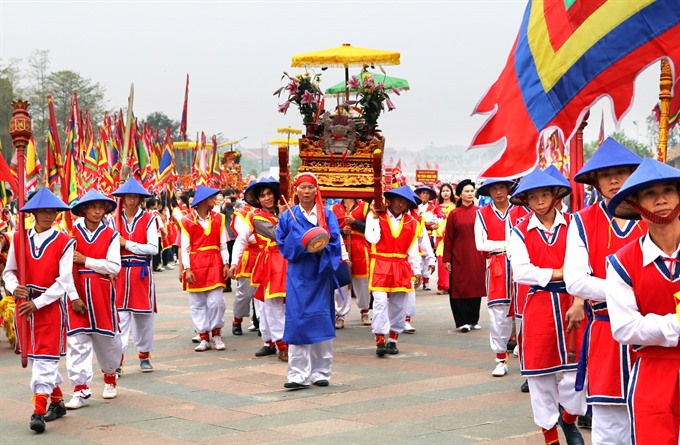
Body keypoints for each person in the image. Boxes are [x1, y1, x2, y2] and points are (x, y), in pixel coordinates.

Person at [564, 138, 645, 445]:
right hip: (607, 333)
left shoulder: (657, 218)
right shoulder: (582, 222)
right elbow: (576, 281)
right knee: (610, 425)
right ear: (595, 181)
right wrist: (631, 290)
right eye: (606, 173)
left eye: (622, 172)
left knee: (656, 417)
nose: (614, 180)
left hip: (653, 333)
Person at [507, 168, 586, 445]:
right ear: (526, 201)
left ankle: (570, 418)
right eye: (533, 196)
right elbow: (521, 271)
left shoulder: (575, 224)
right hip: (539, 302)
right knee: (540, 373)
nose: (540, 201)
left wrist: (574, 287)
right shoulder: (519, 231)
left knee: (577, 370)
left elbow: (585, 263)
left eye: (544, 194)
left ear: (555, 196)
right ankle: (550, 434)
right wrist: (560, 272)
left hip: (573, 300)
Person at [606, 158, 680, 445]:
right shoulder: (622, 263)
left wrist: (658, 327)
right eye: (650, 193)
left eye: (668, 191)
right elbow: (624, 328)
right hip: (652, 369)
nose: (661, 199)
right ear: (636, 203)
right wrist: (676, 325)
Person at [2, 188, 75, 433]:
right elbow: (9, 272)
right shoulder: (19, 237)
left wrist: (39, 302)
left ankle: (38, 412)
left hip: (49, 306)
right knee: (36, 359)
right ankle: (57, 400)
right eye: (43, 210)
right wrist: (15, 288)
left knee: (44, 359)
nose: (49, 214)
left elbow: (64, 280)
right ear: (32, 212)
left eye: (53, 210)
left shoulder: (64, 241)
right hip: (24, 306)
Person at [276, 172, 342, 389]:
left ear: (317, 190)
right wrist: (304, 241)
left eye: (310, 187)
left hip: (321, 275)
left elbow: (334, 241)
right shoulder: (288, 216)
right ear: (295, 191)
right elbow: (283, 245)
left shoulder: (327, 215)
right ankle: (297, 374)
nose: (306, 191)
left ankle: (321, 372)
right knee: (298, 321)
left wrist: (321, 246)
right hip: (298, 276)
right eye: (302, 187)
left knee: (321, 321)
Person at [64, 190, 122, 410]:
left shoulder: (111, 235)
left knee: (107, 341)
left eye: (101, 207)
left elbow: (114, 266)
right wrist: (73, 297)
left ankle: (110, 376)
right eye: (93, 207)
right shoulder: (71, 233)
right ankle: (80, 389)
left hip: (102, 292)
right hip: (76, 289)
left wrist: (86, 260)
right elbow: (65, 268)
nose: (98, 212)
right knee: (77, 342)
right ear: (84, 209)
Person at [364, 185, 422, 356]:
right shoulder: (376, 216)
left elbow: (412, 249)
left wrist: (417, 270)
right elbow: (371, 238)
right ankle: (380, 338)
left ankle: (393, 339)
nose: (400, 204)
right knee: (380, 302)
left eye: (405, 202)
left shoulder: (413, 223)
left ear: (408, 205)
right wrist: (374, 218)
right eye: (398, 200)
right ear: (391, 200)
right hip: (381, 262)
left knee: (398, 305)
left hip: (401, 265)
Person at [112, 178, 158, 374]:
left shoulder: (149, 219)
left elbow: (153, 248)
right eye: (127, 196)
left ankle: (144, 355)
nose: (131, 200)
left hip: (141, 273)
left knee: (143, 318)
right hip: (120, 273)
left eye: (134, 196)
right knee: (119, 318)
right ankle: (117, 359)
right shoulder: (113, 219)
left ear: (140, 199)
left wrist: (127, 243)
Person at [239, 178, 288, 360]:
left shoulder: (286, 211)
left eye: (269, 194)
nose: (267, 198)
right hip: (269, 262)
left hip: (288, 261)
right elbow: (279, 235)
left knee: (281, 304)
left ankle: (275, 341)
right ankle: (279, 343)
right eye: (262, 196)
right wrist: (234, 263)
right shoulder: (257, 217)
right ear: (258, 200)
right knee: (270, 304)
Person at [179, 185, 230, 352]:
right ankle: (203, 336)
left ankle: (216, 334)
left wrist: (226, 264)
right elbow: (184, 248)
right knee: (197, 303)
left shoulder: (219, 218)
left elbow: (223, 245)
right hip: (195, 264)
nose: (215, 201)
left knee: (216, 302)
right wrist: (186, 269)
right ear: (202, 201)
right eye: (212, 198)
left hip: (215, 263)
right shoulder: (186, 221)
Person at [474, 178, 515, 377]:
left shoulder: (521, 210)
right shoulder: (482, 214)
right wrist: (507, 245)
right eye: (493, 189)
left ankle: (525, 353)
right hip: (497, 266)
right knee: (498, 312)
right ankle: (500, 358)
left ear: (508, 189)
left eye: (501, 187)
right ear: (488, 192)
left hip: (521, 265)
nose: (498, 192)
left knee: (526, 311)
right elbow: (481, 243)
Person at [443, 179, 486, 332]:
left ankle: (473, 319)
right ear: (460, 194)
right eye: (466, 191)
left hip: (477, 254)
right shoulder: (454, 214)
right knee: (459, 286)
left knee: (475, 285)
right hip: (459, 254)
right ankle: (462, 321)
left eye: (471, 191)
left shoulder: (480, 212)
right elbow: (448, 237)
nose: (469, 193)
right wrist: (447, 259)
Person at [330, 198, 372, 327]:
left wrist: (355, 223)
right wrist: (342, 231)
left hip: (360, 247)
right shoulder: (334, 208)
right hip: (341, 247)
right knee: (341, 283)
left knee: (362, 281)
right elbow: (330, 229)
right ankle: (340, 315)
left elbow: (371, 228)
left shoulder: (365, 207)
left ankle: (365, 310)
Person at [228, 197, 258, 336]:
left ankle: (261, 322)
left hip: (266, 255)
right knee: (244, 293)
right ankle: (237, 319)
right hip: (249, 256)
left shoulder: (272, 211)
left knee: (264, 293)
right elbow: (245, 237)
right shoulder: (241, 214)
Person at [414, 185, 438, 291]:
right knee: (417, 258)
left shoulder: (432, 208)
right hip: (416, 234)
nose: (425, 195)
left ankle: (426, 280)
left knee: (426, 258)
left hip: (428, 234)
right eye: (423, 193)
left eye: (427, 194)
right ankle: (416, 277)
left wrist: (433, 225)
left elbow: (436, 221)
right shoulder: (414, 207)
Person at [434, 183, 456, 295]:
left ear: (451, 192)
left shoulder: (455, 206)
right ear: (440, 193)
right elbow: (432, 222)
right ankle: (443, 285)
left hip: (453, 238)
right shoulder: (437, 208)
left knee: (453, 261)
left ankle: (452, 286)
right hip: (440, 239)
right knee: (441, 262)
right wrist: (433, 226)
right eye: (443, 191)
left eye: (448, 190)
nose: (445, 193)